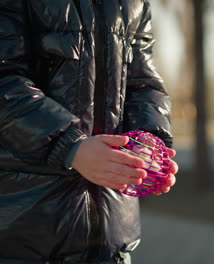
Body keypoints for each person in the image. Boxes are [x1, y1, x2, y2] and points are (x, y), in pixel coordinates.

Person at [0, 0, 177, 263]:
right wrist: (71, 146)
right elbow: (5, 80)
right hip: (25, 235)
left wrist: (148, 144)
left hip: (113, 241)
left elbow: (143, 83)